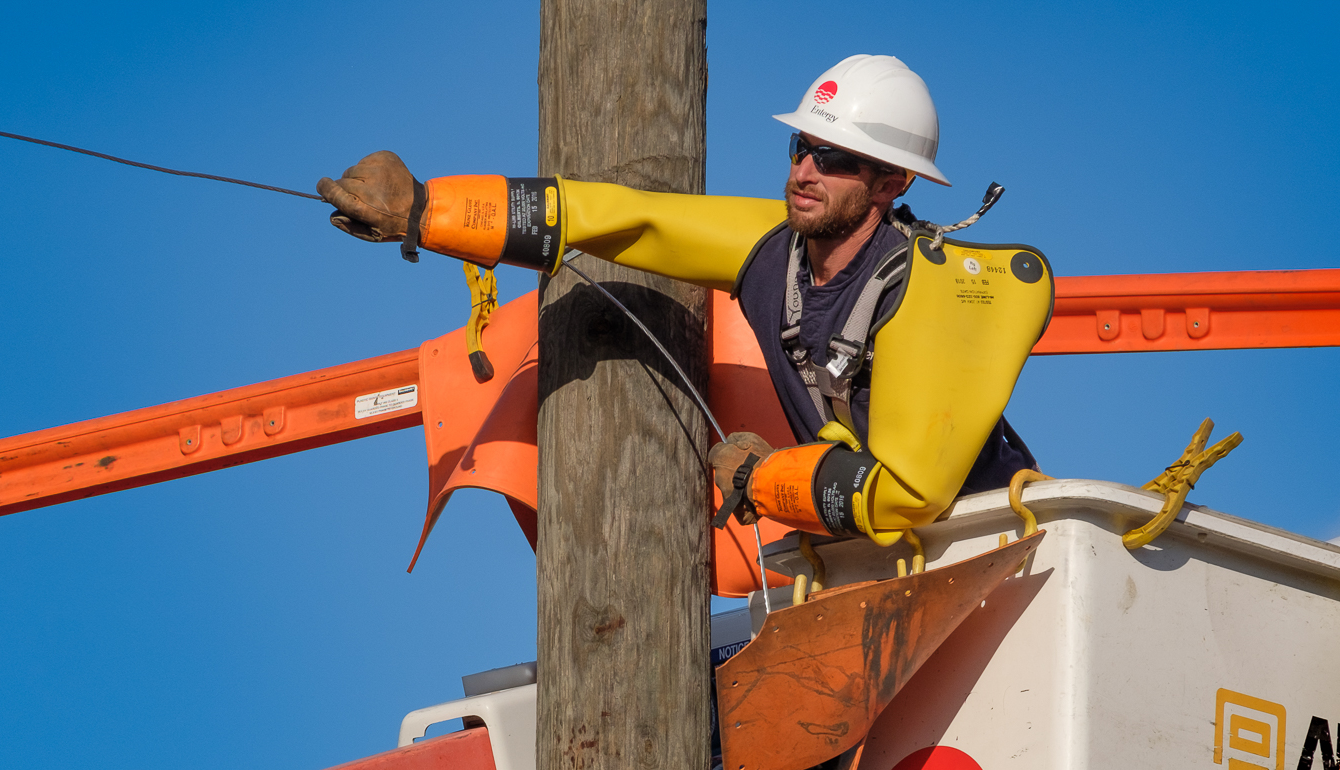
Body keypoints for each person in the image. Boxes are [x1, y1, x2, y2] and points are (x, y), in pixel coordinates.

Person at [316, 55, 1048, 548]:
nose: (804, 170)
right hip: (889, 568)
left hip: (998, 545)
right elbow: (630, 219)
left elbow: (906, 495)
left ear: (892, 185)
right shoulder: (774, 255)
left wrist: (760, 479)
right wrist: (428, 210)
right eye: (799, 147)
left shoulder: (926, 290)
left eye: (834, 159)